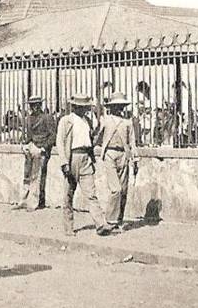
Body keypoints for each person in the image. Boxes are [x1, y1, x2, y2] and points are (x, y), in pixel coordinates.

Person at [56, 93, 112, 237]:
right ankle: (68, 227)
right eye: (81, 107)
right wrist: (64, 162)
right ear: (74, 107)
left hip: (86, 157)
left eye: (85, 107)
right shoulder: (65, 121)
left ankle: (101, 224)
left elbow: (91, 139)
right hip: (72, 157)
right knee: (68, 195)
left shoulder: (87, 120)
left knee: (91, 193)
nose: (83, 110)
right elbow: (60, 143)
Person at [94, 92, 138, 230]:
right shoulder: (105, 120)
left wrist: (135, 158)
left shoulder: (128, 122)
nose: (118, 109)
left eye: (121, 106)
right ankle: (109, 220)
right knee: (116, 189)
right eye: (116, 106)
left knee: (124, 190)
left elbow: (132, 142)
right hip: (110, 154)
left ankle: (119, 219)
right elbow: (97, 136)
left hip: (123, 154)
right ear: (111, 107)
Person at [13, 95, 56, 211]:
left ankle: (33, 202)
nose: (33, 107)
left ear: (40, 105)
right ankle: (23, 200)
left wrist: (44, 148)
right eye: (31, 105)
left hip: (40, 149)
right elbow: (28, 135)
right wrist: (25, 145)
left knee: (36, 176)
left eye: (35, 105)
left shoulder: (47, 118)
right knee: (26, 175)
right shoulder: (29, 118)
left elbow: (52, 135)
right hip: (31, 147)